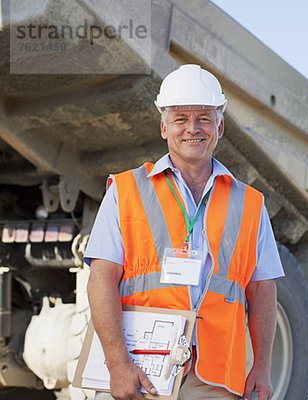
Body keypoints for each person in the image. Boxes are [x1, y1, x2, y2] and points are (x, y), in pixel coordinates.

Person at [84, 64, 284, 400]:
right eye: (180, 118)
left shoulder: (250, 203)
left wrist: (261, 366)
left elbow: (262, 289)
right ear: (164, 126)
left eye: (204, 117)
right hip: (142, 369)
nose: (193, 128)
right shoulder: (126, 190)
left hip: (215, 378)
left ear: (220, 125)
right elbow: (100, 279)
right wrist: (118, 365)